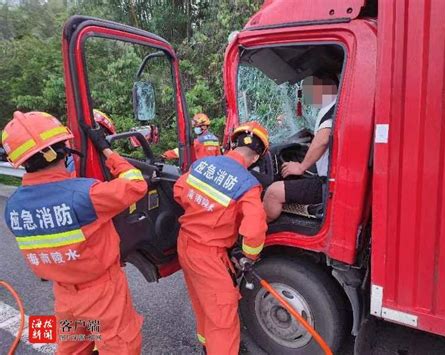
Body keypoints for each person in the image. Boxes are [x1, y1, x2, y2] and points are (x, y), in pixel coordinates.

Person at [3, 111, 146, 354]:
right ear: (60, 150)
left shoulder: (14, 207)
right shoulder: (86, 195)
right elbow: (135, 183)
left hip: (64, 295)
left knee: (75, 346)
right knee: (120, 344)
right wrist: (107, 151)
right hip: (102, 295)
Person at [173, 121, 269, 355]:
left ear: (232, 144)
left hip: (185, 245)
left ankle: (206, 345)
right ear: (256, 158)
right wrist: (248, 256)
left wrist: (202, 212)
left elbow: (178, 191)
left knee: (202, 302)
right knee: (223, 317)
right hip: (209, 256)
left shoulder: (203, 164)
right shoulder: (248, 185)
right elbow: (255, 229)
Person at [263, 75, 338, 222]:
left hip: (325, 184)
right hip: (333, 180)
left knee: (273, 192)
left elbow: (323, 139)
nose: (306, 97)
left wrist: (301, 167)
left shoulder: (332, 110)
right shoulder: (338, 105)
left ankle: (258, 238)